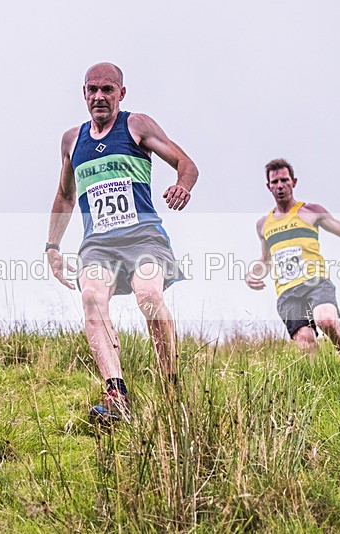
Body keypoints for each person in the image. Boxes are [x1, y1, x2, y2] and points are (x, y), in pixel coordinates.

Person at [46, 62, 198, 425]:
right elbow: (65, 196)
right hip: (98, 245)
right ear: (84, 94)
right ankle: (117, 396)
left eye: (108, 90)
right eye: (93, 90)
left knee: (148, 293)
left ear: (121, 93)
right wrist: (52, 247)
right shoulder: (72, 140)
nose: (100, 96)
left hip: (144, 237)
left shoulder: (136, 125)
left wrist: (183, 185)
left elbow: (186, 163)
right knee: (91, 296)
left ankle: (171, 388)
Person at [245, 158, 340, 361]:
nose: (280, 186)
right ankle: (320, 382)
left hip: (315, 281)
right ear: (268, 187)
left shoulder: (310, 212)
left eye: (284, 180)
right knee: (305, 338)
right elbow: (265, 260)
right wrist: (251, 275)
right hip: (286, 291)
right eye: (275, 182)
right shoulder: (263, 224)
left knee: (326, 321)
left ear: (294, 182)